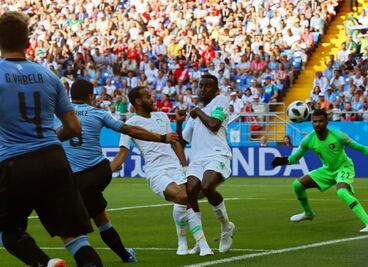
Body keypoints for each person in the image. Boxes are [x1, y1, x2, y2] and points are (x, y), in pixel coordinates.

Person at [0, 12, 102, 267]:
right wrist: (47, 141)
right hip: (54, 160)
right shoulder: (49, 76)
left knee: (9, 232)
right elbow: (73, 127)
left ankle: (45, 264)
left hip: (14, 163)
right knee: (76, 239)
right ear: (28, 42)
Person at [59, 80, 179, 263]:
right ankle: (125, 255)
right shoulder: (98, 113)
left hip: (75, 177)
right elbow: (131, 130)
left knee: (73, 229)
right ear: (90, 96)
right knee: (101, 218)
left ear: (70, 95)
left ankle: (86, 258)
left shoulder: (58, 115)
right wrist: (162, 138)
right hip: (99, 172)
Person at [110, 86, 213, 256]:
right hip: (155, 171)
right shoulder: (130, 124)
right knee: (181, 196)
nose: (153, 99)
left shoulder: (162, 116)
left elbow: (174, 142)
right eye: (148, 97)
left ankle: (196, 244)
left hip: (174, 167)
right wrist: (108, 171)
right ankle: (194, 242)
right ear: (138, 101)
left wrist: (185, 166)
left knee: (188, 200)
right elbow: (123, 152)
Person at [271, 109, 368, 232]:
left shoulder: (337, 135)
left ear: (326, 122)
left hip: (343, 167)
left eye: (320, 121)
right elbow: (294, 158)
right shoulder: (308, 140)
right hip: (328, 170)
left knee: (341, 192)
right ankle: (308, 214)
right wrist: (282, 161)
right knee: (297, 185)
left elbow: (359, 147)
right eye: (315, 121)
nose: (317, 124)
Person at [176, 74, 235, 254]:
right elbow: (181, 141)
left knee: (208, 186)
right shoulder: (194, 116)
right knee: (190, 192)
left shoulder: (221, 100)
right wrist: (179, 123)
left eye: (207, 86)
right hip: (197, 159)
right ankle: (199, 240)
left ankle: (226, 227)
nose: (202, 89)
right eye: (200, 86)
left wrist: (198, 112)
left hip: (217, 154)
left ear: (215, 89)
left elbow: (214, 124)